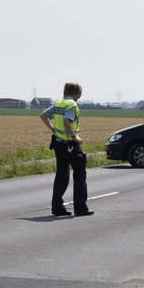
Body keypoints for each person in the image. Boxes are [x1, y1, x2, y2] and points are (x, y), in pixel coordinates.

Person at [39, 82, 93, 217]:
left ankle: (57, 208)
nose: (80, 96)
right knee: (80, 174)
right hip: (70, 144)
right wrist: (75, 137)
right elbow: (67, 121)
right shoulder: (72, 105)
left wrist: (52, 129)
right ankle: (80, 208)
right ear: (75, 93)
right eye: (80, 93)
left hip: (58, 143)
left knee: (61, 176)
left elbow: (43, 115)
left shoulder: (58, 103)